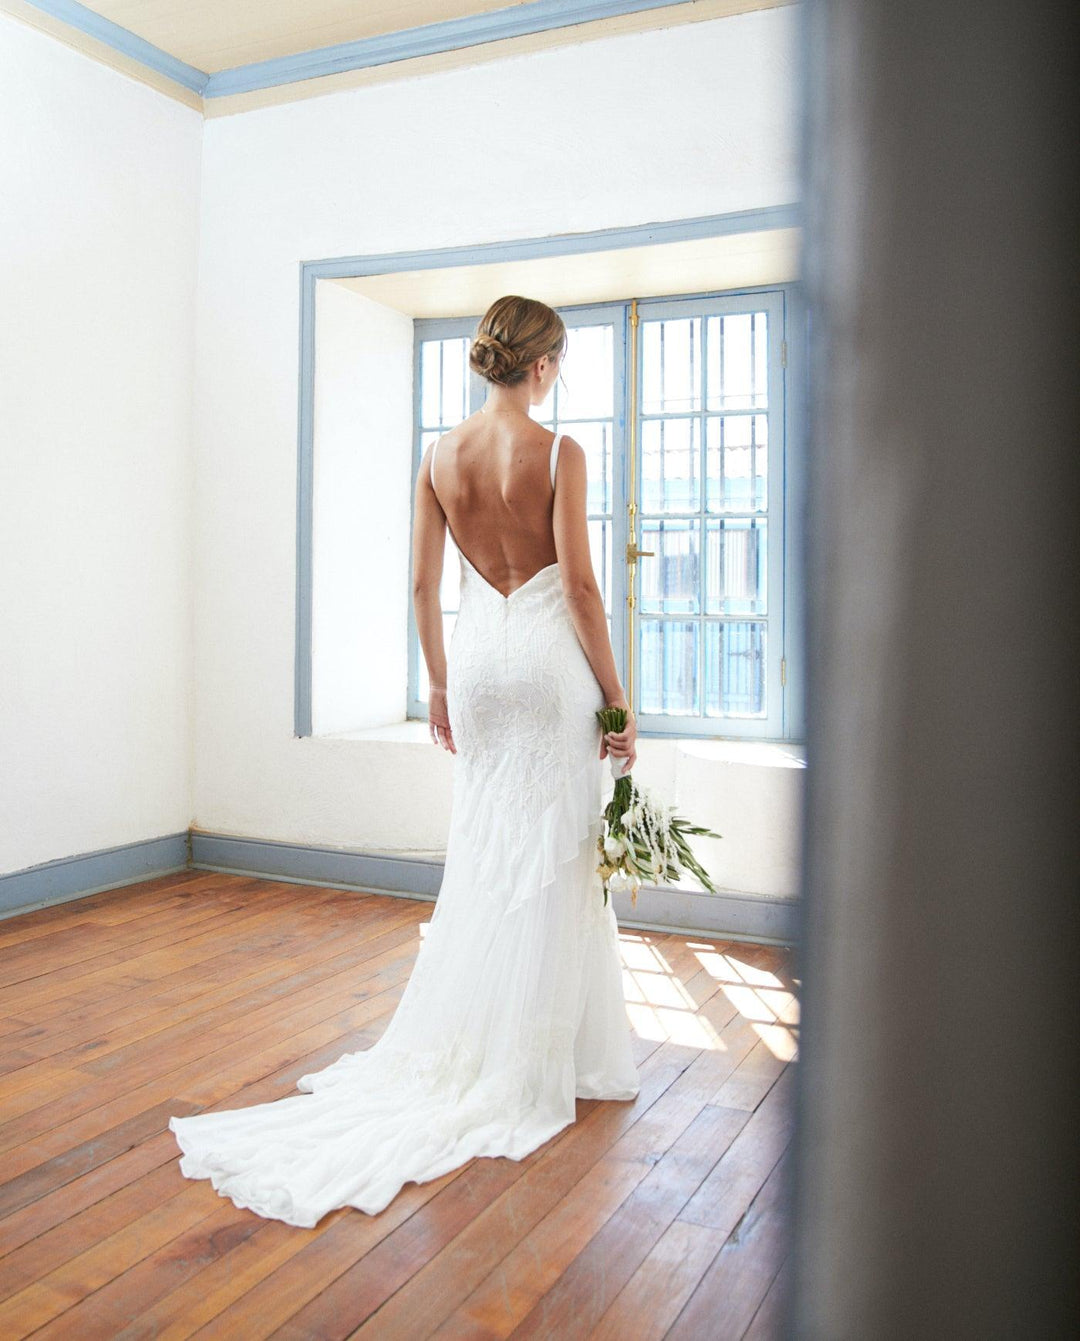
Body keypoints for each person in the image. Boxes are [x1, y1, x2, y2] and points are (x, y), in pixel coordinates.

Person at [167, 295, 640, 1227]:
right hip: (548, 666)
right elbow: (580, 585)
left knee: (486, 840)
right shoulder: (561, 453)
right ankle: (533, 1051)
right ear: (544, 366)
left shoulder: (437, 456)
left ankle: (483, 1036)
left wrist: (434, 680)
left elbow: (424, 582)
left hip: (477, 664)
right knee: (554, 846)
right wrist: (620, 699)